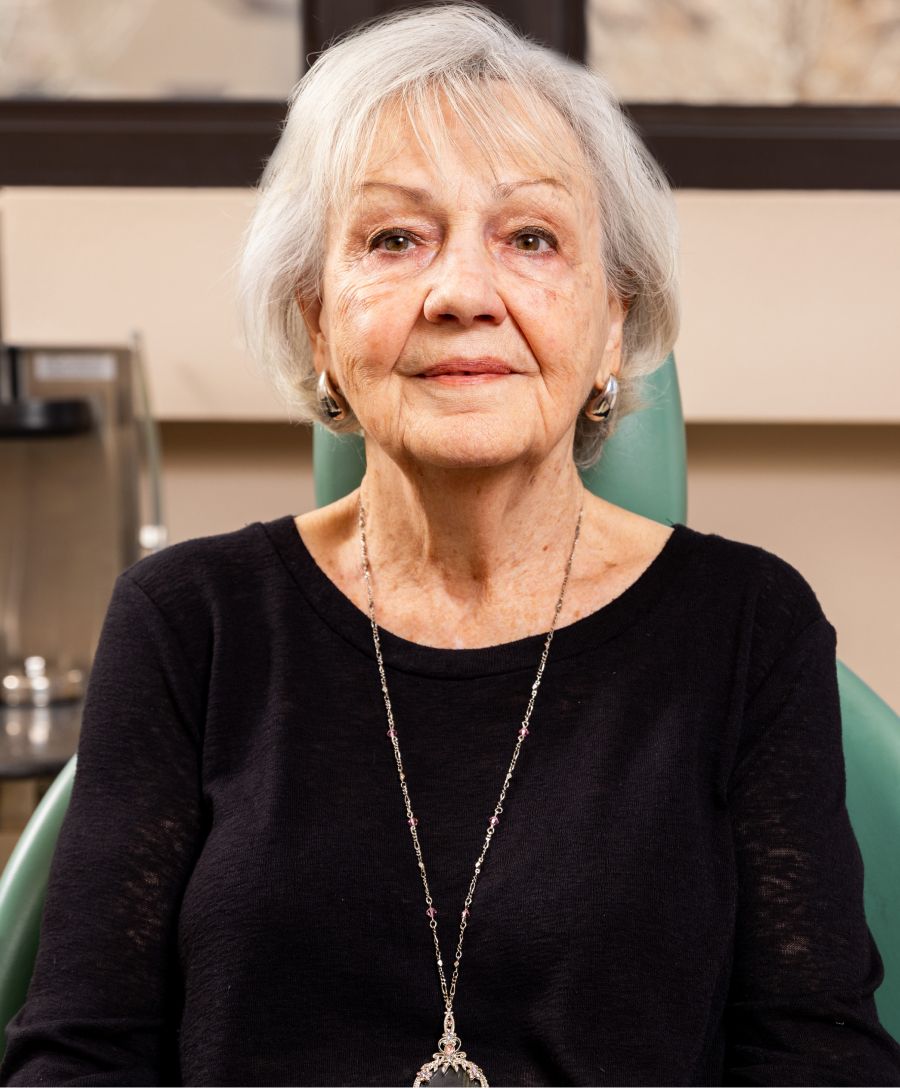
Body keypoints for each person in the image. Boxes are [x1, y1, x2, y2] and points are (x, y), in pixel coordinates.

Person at [3, 4, 900, 1085]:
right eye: (394, 238)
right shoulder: (186, 621)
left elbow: (819, 1058)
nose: (463, 293)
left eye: (530, 237)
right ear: (319, 319)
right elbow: (80, 1058)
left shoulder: (750, 627)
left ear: (612, 320)